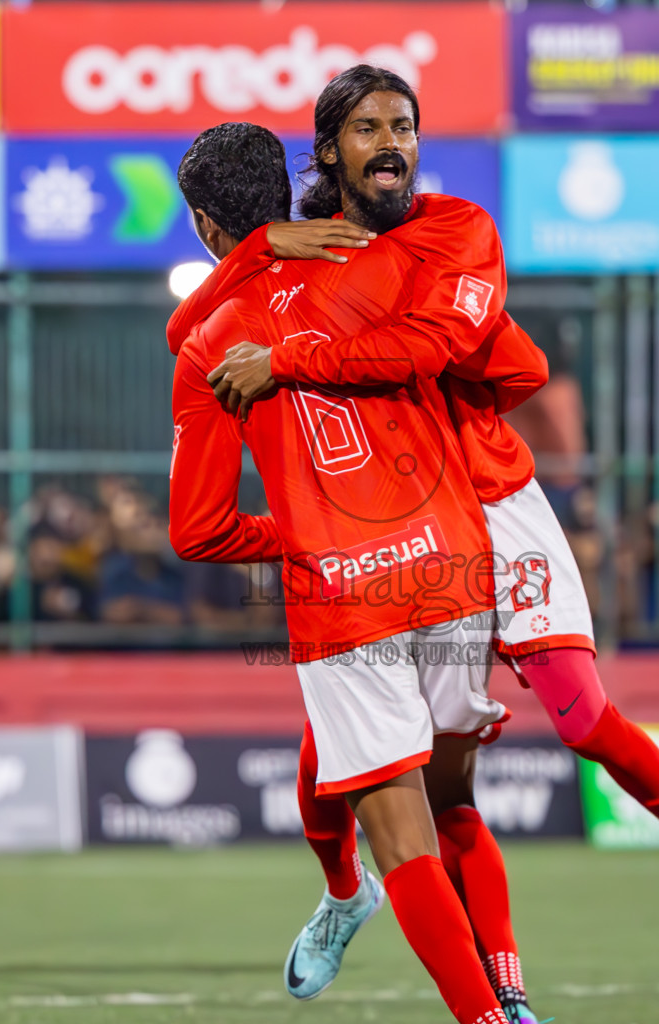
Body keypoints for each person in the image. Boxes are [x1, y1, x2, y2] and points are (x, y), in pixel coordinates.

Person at [173, 66, 659, 1018]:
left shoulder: (448, 230)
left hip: (488, 501)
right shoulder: (318, 262)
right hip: (390, 531)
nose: (391, 143)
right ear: (325, 153)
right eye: (368, 127)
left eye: (404, 126)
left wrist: (273, 327)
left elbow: (482, 359)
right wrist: (262, 265)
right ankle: (354, 906)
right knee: (347, 773)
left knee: (565, 722)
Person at [169, 120, 518, 1024]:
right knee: (445, 802)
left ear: (209, 229)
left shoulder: (207, 337)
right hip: (451, 565)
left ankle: (479, 1009)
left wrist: (298, 535)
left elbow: (199, 532)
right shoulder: (391, 262)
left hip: (343, 597)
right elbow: (511, 363)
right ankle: (508, 989)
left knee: (397, 829)